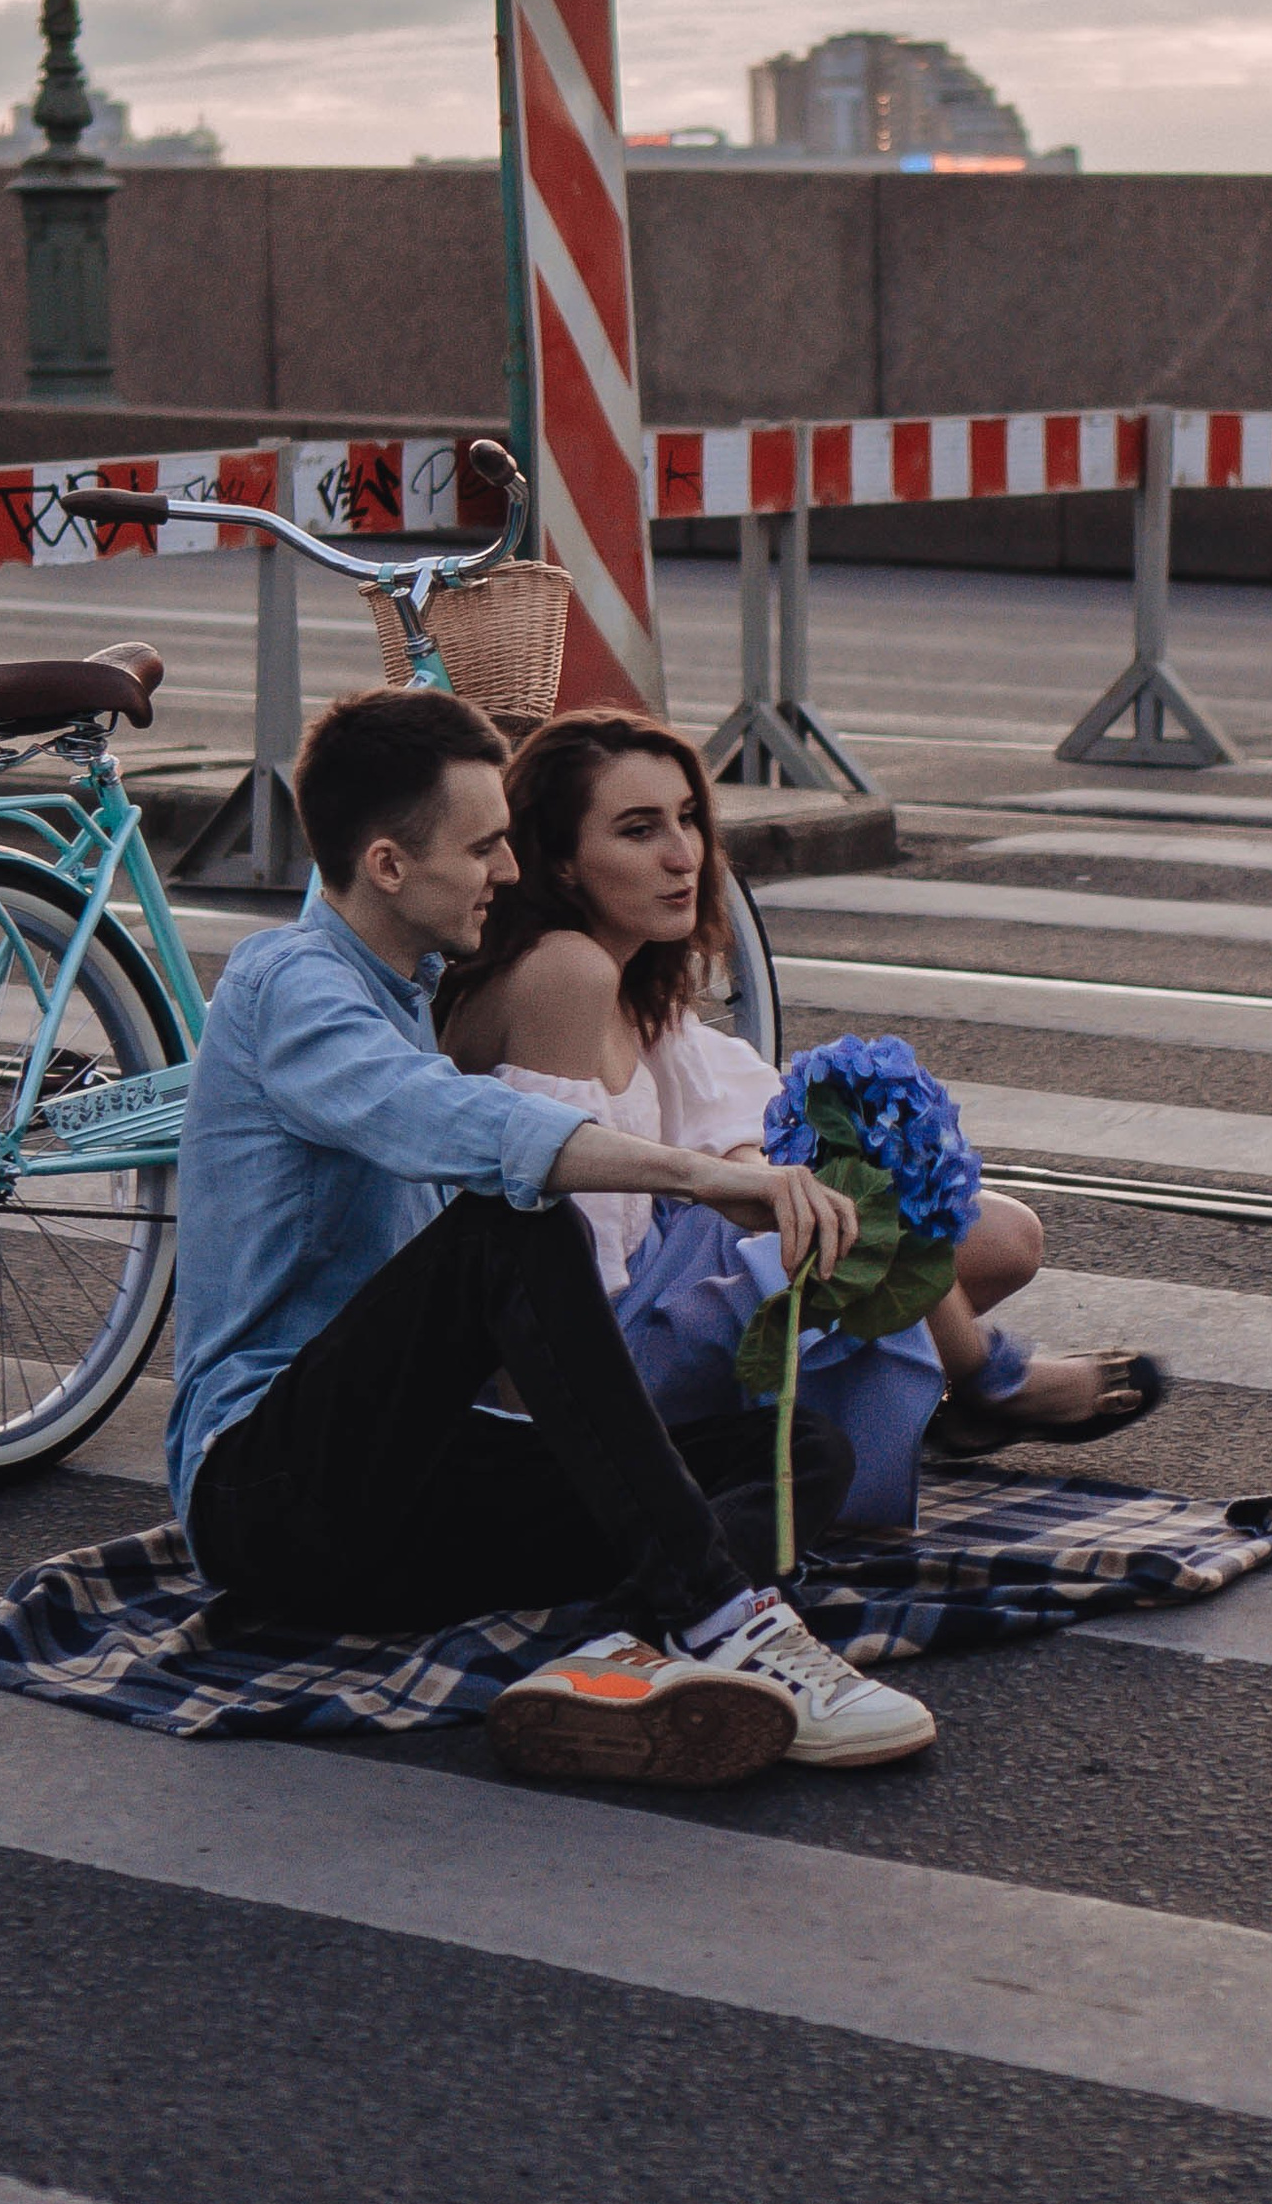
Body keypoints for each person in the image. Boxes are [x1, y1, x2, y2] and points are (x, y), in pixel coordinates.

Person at [167, 686, 939, 1785]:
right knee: (508, 1228)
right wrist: (700, 1179)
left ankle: (615, 1655)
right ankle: (723, 1621)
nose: (510, 868)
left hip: (408, 1494)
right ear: (387, 865)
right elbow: (441, 1119)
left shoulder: (409, 991)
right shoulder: (284, 986)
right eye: (484, 846)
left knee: (800, 1451)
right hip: (269, 1500)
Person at [433, 710, 1171, 1490]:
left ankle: (949, 1391)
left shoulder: (620, 971)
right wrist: (556, 1471)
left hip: (658, 1268)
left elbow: (721, 1116)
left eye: (688, 819)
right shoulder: (564, 972)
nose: (684, 856)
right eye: (639, 830)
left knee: (994, 1234)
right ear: (561, 862)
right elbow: (540, 1254)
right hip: (609, 1345)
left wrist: (796, 1179)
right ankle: (984, 1381)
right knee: (863, 1220)